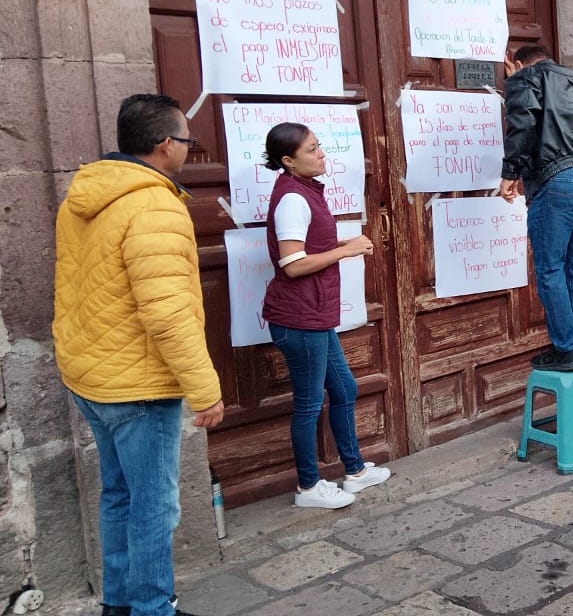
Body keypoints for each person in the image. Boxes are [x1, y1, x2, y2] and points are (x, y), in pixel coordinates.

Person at [54, 94, 224, 616]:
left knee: (119, 495)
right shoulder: (154, 205)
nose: (190, 150)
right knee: (153, 506)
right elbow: (167, 313)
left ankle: (120, 604)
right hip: (139, 386)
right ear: (164, 144)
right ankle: (152, 609)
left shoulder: (87, 193)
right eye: (188, 140)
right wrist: (206, 391)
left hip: (92, 374)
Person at [262, 123, 391, 510]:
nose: (322, 155)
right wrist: (345, 250)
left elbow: (308, 245)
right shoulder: (292, 198)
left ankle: (355, 471)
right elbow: (292, 264)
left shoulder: (303, 191)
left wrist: (338, 242)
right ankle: (307, 488)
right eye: (312, 149)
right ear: (289, 161)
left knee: (344, 388)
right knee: (308, 402)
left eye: (319, 147)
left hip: (314, 314)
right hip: (298, 318)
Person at [500, 44, 573, 372]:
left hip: (557, 180)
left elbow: (522, 124)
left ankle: (565, 350)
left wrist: (510, 173)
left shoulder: (527, 76)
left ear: (519, 63)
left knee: (550, 268)